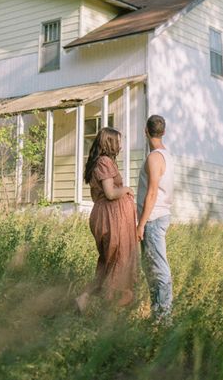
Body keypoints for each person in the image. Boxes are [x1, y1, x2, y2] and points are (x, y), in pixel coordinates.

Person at [76, 127, 138, 313]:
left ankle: (87, 299)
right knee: (117, 259)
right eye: (118, 141)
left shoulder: (101, 162)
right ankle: (107, 307)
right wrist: (126, 189)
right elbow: (110, 194)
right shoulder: (104, 162)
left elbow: (99, 196)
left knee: (108, 262)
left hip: (109, 216)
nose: (120, 145)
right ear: (110, 142)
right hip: (111, 218)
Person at [136, 114, 174, 321]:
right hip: (159, 215)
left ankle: (163, 319)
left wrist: (141, 224)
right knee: (151, 267)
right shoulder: (166, 155)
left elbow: (152, 192)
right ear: (164, 132)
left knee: (159, 268)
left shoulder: (154, 158)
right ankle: (157, 315)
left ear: (146, 131)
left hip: (153, 218)